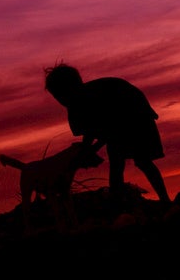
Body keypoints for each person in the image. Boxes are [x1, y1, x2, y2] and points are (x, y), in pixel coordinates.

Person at [43, 62, 172, 208]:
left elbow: (107, 128)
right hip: (121, 118)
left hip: (134, 114)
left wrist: (89, 150)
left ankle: (163, 200)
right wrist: (85, 150)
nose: (59, 100)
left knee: (140, 160)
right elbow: (90, 130)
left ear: (69, 89)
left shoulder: (90, 97)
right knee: (117, 159)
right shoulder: (77, 104)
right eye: (56, 97)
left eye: (59, 95)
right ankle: (118, 199)